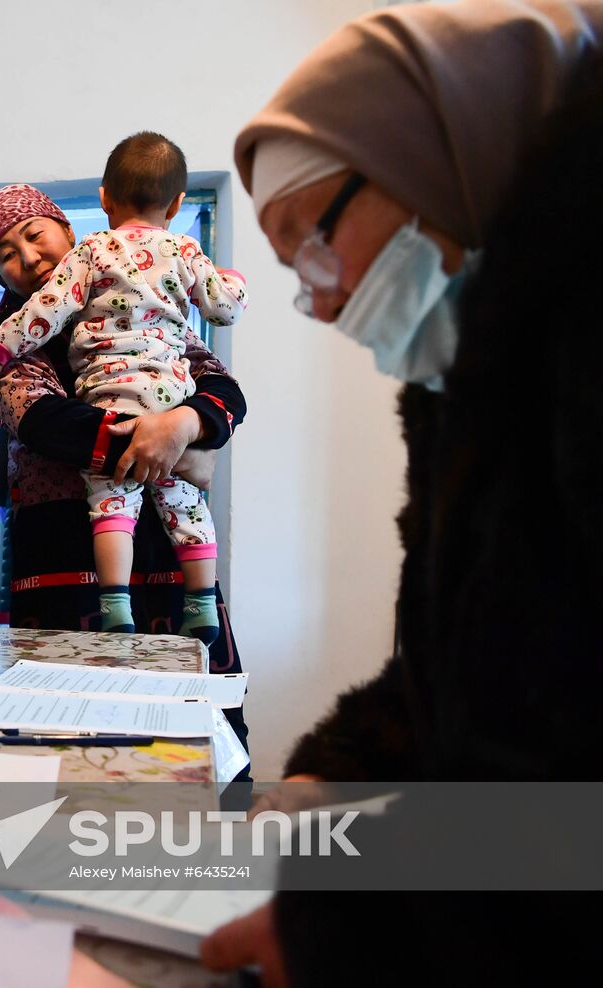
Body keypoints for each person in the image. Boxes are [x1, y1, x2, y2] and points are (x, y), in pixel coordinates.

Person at [199, 2, 603, 984]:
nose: (322, 297)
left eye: (312, 242)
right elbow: (462, 672)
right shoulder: (462, 391)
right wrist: (328, 773)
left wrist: (353, 927)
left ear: (430, 157)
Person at [0, 183, 250, 750]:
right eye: (5, 255)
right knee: (74, 728)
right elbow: (38, 415)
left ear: (69, 234)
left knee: (194, 727)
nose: (28, 258)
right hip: (63, 550)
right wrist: (163, 443)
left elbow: (221, 388)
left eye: (34, 235)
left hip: (166, 553)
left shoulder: (143, 299)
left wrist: (188, 427)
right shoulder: (8, 334)